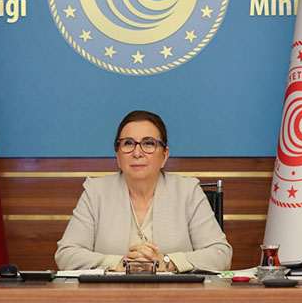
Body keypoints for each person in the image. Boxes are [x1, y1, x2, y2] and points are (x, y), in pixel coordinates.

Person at [55, 110, 232, 272]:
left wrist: (167, 262)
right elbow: (66, 254)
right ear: (118, 156)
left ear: (164, 155)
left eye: (148, 143)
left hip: (175, 293)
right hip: (111, 293)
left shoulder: (187, 191)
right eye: (128, 143)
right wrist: (118, 263)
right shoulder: (96, 192)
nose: (137, 153)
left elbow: (220, 254)